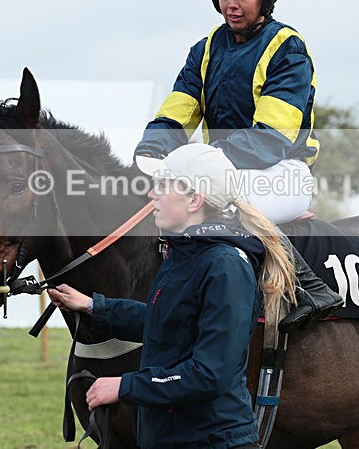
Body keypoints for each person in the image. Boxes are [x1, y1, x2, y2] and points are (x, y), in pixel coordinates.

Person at [134, 0, 341, 331]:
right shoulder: (205, 48)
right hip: (219, 171)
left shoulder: (287, 48)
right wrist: (151, 151)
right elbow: (178, 109)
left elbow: (270, 138)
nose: (231, 4)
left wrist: (194, 166)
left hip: (279, 172)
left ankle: (310, 289)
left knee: (215, 212)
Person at [49, 143, 295, 449]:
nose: (152, 195)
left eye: (163, 186)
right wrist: (92, 306)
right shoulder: (182, 254)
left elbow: (210, 374)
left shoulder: (225, 266)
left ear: (194, 199)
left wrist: (125, 386)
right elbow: (165, 323)